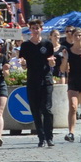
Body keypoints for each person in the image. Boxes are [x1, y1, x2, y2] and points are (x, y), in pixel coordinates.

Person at [19, 19, 56, 148]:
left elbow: (52, 62)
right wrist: (23, 64)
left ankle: (49, 136)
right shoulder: (25, 46)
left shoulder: (48, 44)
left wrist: (52, 63)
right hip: (32, 80)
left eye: (37, 28)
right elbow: (23, 64)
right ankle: (41, 137)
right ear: (30, 30)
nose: (35, 30)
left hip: (46, 80)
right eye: (33, 28)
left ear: (41, 29)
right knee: (35, 110)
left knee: (46, 109)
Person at [62, 28, 81, 141]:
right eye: (76, 35)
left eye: (80, 35)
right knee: (73, 106)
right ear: (72, 37)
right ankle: (71, 133)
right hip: (73, 81)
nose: (78, 37)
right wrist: (65, 60)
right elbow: (63, 69)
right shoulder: (68, 51)